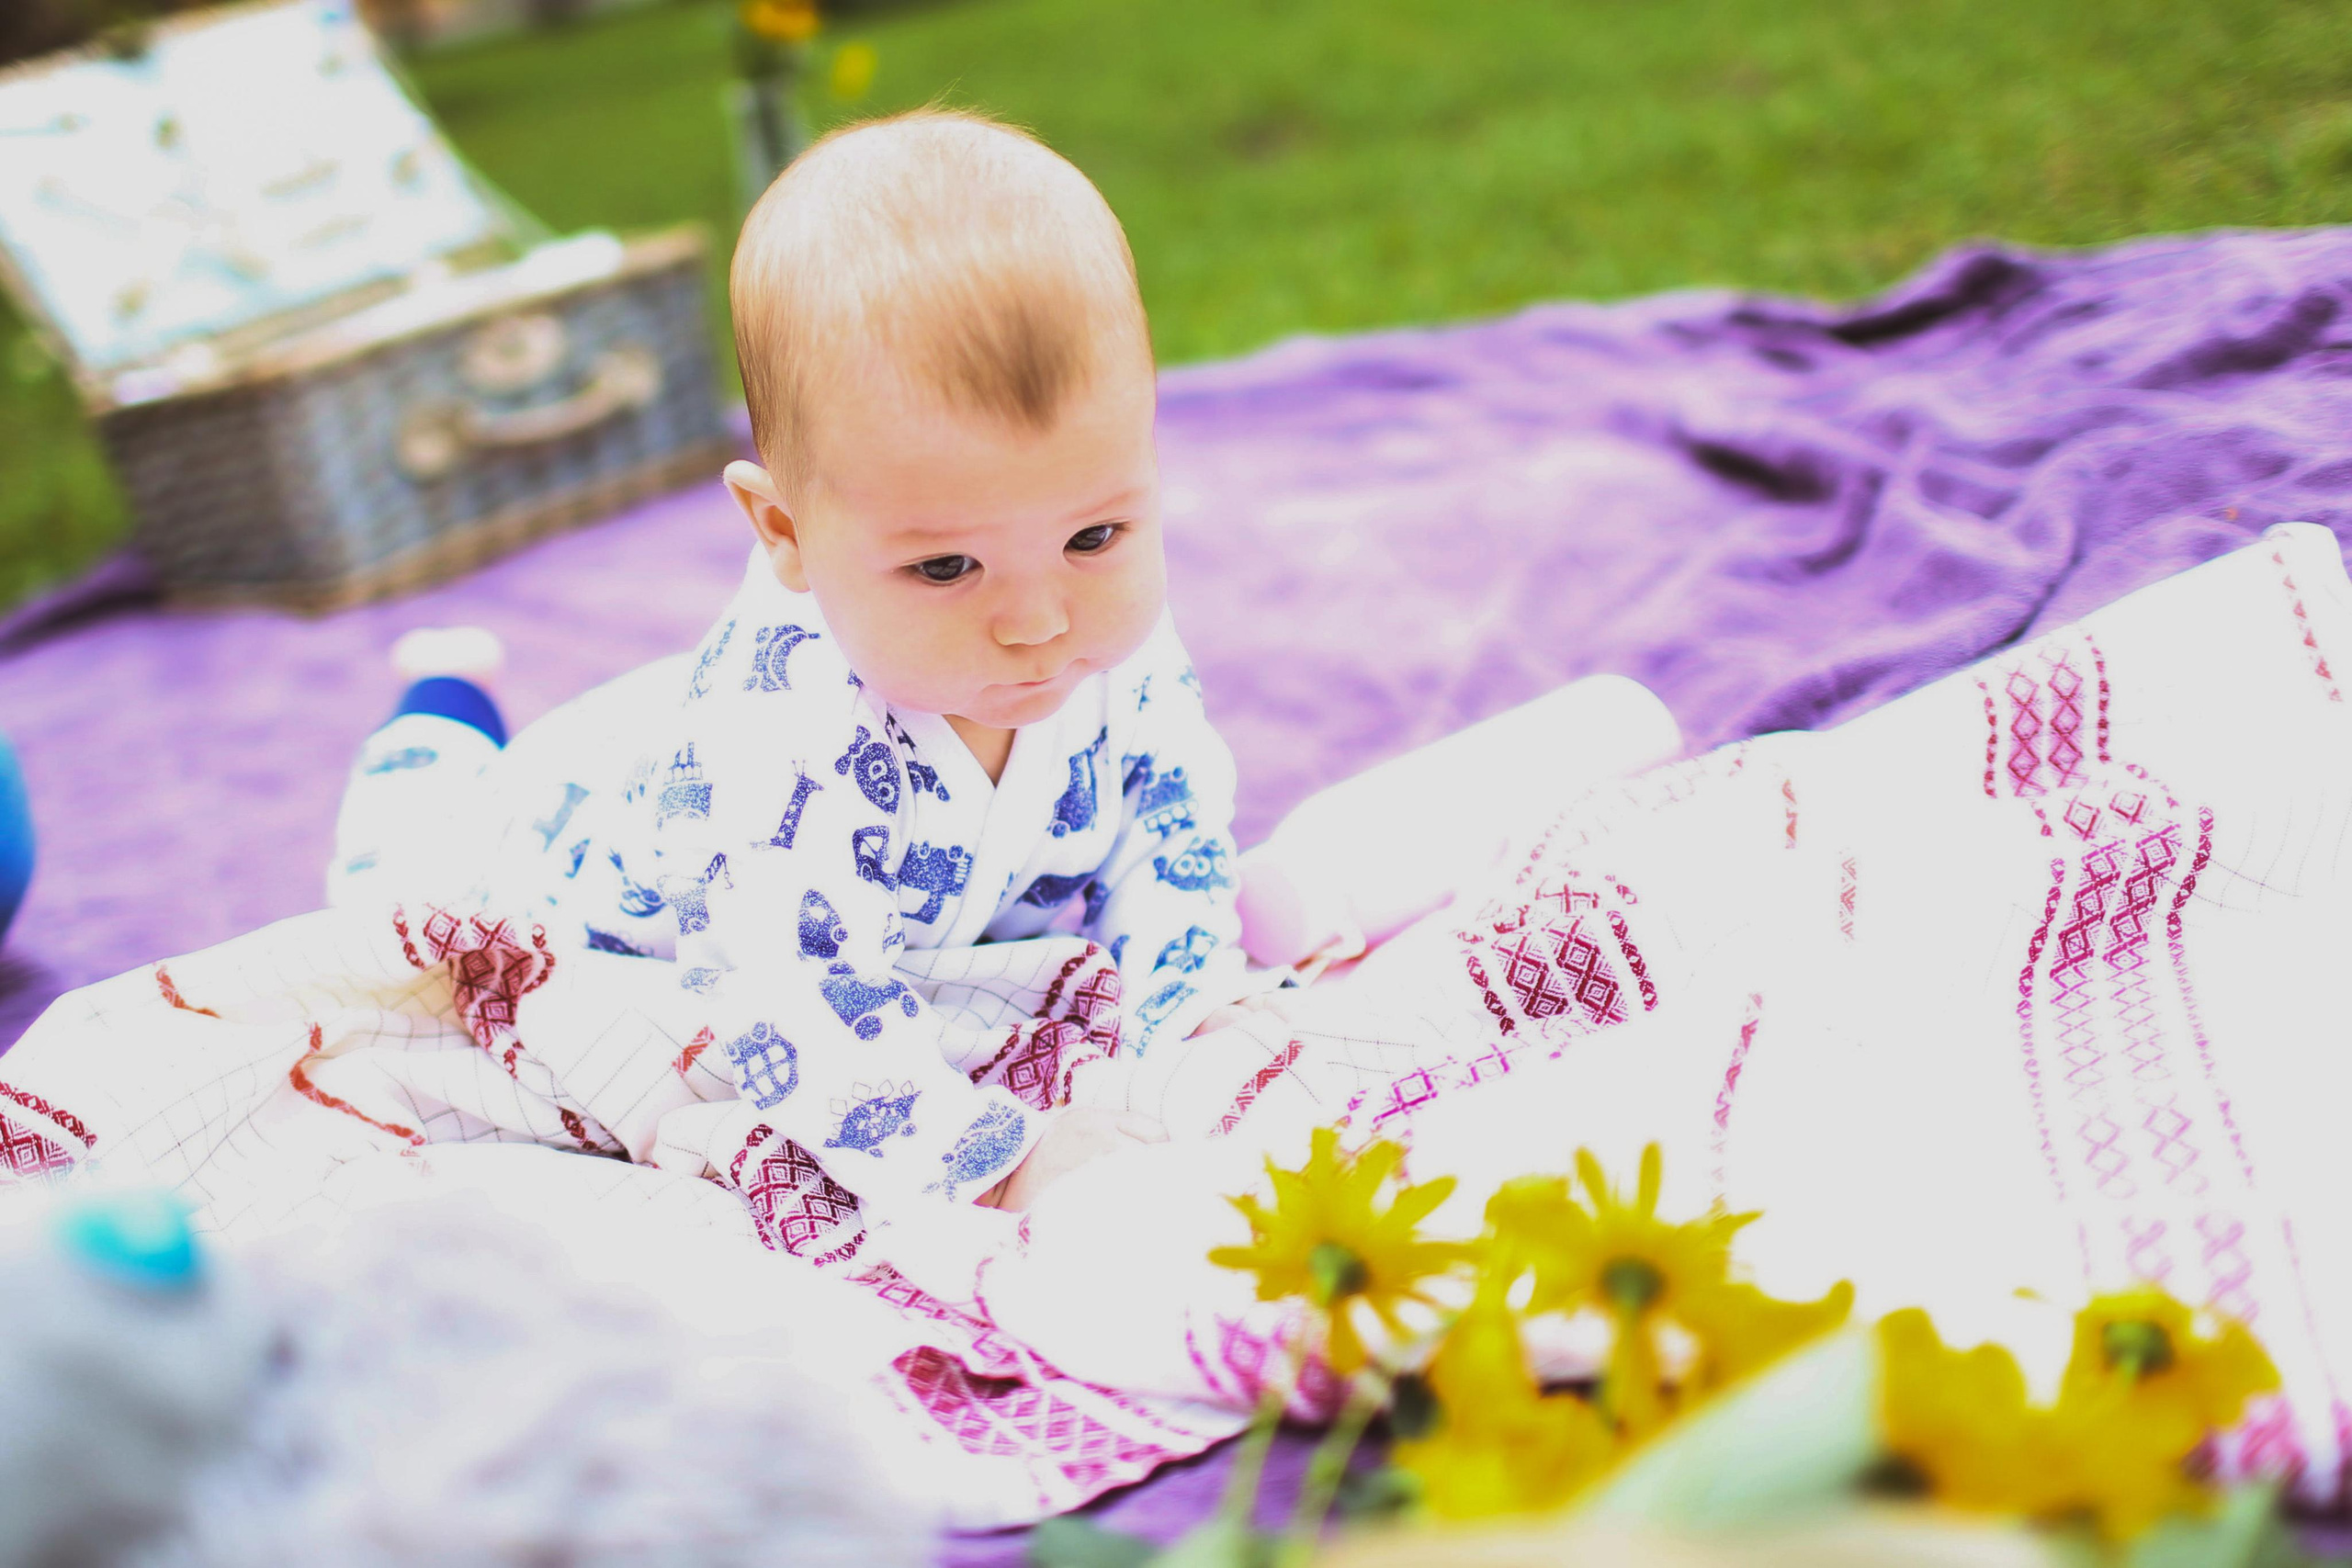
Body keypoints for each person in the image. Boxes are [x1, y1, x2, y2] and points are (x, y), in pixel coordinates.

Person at [334, 110, 1270, 1221]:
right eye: (944, 567)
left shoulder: (1113, 643)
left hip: (701, 775)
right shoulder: (775, 757)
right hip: (578, 873)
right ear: (782, 531)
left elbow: (1167, 838)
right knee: (398, 900)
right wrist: (990, 1162)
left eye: (1094, 539)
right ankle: (441, 703)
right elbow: (792, 999)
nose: (1035, 622)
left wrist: (1187, 1026)